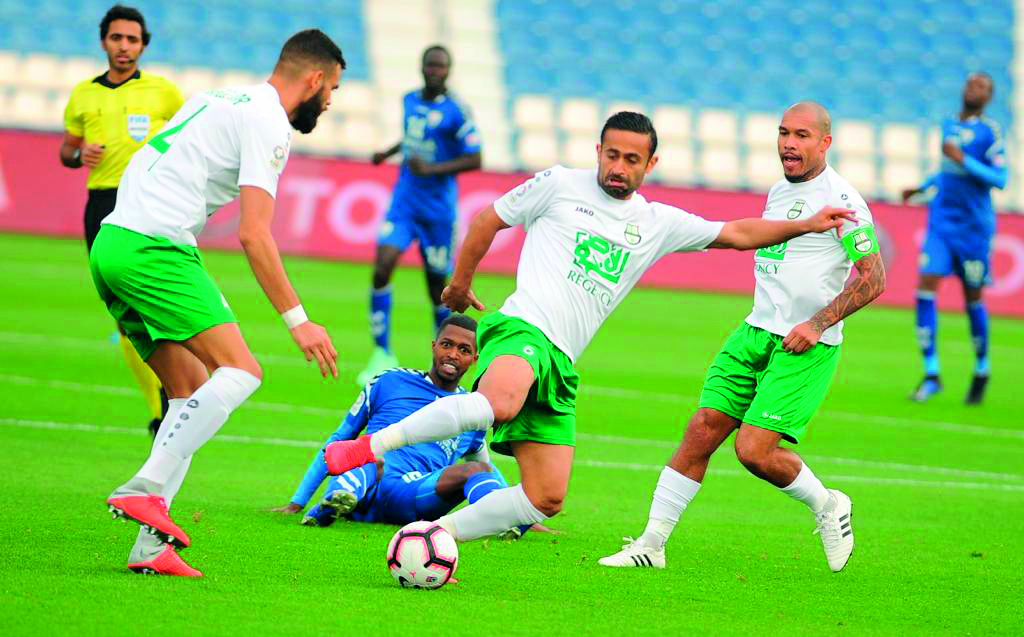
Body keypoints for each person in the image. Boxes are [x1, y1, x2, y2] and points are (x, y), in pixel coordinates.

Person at [322, 111, 857, 552]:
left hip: (562, 361)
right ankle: (371, 446)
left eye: (631, 159)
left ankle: (434, 536)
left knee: (544, 498)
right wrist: (460, 284)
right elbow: (489, 219)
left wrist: (805, 224)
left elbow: (737, 233)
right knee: (501, 403)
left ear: (650, 164)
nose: (618, 167)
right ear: (598, 151)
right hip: (524, 327)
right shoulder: (559, 184)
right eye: (611, 154)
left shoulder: (656, 222)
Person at [92, 29, 344, 577]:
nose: (330, 102)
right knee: (242, 371)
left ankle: (150, 546)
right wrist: (299, 321)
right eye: (332, 89)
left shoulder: (221, 97)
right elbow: (254, 234)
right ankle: (145, 487)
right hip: (155, 247)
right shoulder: (270, 122)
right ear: (315, 79)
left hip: (111, 243)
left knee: (188, 389)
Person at [599, 102, 885, 572]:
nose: (788, 143)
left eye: (802, 135)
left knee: (753, 451)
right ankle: (652, 544)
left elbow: (874, 278)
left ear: (825, 143)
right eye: (783, 133)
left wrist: (816, 324)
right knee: (701, 430)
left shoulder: (844, 201)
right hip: (755, 330)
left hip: (804, 344)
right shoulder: (779, 190)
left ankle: (828, 504)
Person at [275, 315, 535, 539]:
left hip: (412, 494)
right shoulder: (388, 381)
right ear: (434, 346)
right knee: (366, 455)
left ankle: (505, 522)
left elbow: (485, 467)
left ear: (474, 359)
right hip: (367, 484)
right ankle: (333, 502)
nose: (453, 354)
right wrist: (297, 501)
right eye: (446, 344)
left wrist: (523, 512)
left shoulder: (472, 409)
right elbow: (340, 438)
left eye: (464, 350)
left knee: (476, 470)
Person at [60, 5, 184, 436]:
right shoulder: (83, 95)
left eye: (132, 39)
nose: (124, 46)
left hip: (149, 202)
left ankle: (174, 397)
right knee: (122, 315)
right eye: (117, 38)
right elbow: (66, 151)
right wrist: (80, 154)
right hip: (101, 204)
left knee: (157, 306)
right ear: (104, 42)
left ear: (143, 45)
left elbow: (188, 139)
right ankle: (158, 409)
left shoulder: (164, 92)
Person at [357, 45, 483, 386]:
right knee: (382, 267)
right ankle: (381, 353)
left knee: (437, 291)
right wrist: (388, 152)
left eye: (441, 66)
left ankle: (443, 364)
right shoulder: (409, 100)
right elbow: (413, 137)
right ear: (422, 66)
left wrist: (431, 169)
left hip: (437, 213)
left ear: (449, 70)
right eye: (430, 65)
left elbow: (475, 158)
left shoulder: (457, 112)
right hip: (404, 204)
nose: (435, 71)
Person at [901, 72, 1007, 405]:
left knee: (972, 298)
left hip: (973, 230)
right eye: (971, 84)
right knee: (924, 288)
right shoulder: (948, 123)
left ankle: (982, 368)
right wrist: (923, 187)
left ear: (989, 96)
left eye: (982, 87)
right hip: (941, 225)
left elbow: (1000, 178)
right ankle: (932, 374)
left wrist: (965, 159)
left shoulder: (990, 132)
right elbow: (947, 172)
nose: (974, 90)